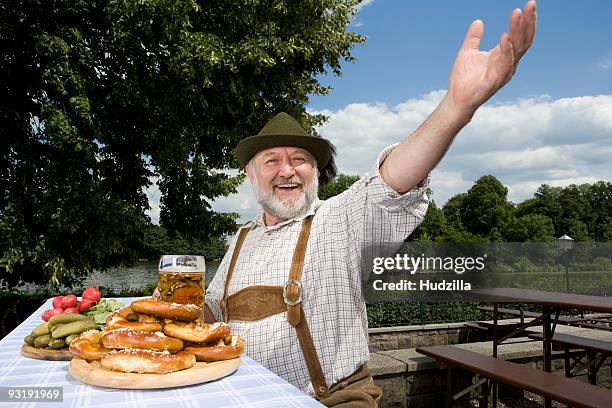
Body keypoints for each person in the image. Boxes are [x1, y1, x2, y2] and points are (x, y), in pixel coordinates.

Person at [204, 2, 537, 406]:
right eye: (271, 160)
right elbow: (209, 314)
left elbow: (393, 180)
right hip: (244, 396)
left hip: (332, 400)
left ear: (314, 172)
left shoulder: (340, 219)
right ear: (251, 176)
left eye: (300, 160)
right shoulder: (240, 240)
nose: (286, 170)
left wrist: (456, 106)